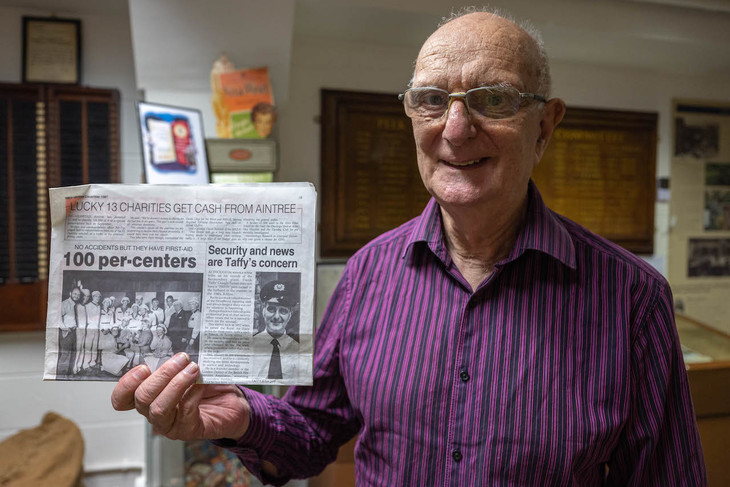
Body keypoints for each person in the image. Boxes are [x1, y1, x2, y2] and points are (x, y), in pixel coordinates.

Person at [112, 8, 706, 486]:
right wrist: (242, 416)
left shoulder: (631, 295)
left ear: (545, 125)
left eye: (492, 99)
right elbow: (312, 429)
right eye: (430, 100)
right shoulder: (370, 271)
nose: (453, 129)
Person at [251, 280, 299, 380]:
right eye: (271, 309)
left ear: (290, 315)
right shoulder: (250, 345)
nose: (277, 316)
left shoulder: (298, 349)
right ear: (263, 310)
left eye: (283, 311)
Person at [57, 287, 80, 378]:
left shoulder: (75, 305)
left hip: (74, 332)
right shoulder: (65, 304)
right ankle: (62, 375)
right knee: (65, 354)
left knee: (73, 353)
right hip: (67, 332)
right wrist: (65, 329)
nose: (76, 296)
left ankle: (69, 374)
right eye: (75, 294)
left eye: (78, 295)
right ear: (70, 293)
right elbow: (58, 318)